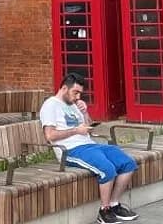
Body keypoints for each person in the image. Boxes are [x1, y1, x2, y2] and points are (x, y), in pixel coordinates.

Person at [39, 73, 138, 224]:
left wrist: (85, 112)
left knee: (127, 163)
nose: (78, 97)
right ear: (64, 88)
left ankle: (114, 204)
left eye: (80, 93)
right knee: (107, 169)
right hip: (70, 150)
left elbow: (88, 126)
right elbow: (50, 135)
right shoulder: (50, 105)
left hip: (90, 145)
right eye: (75, 92)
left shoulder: (74, 104)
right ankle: (104, 211)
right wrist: (76, 131)